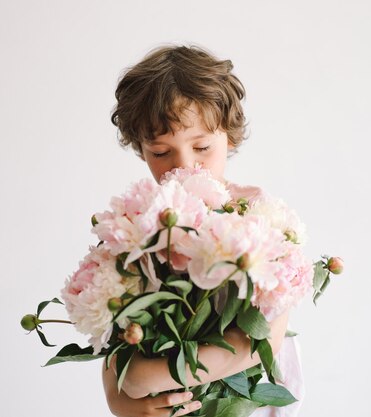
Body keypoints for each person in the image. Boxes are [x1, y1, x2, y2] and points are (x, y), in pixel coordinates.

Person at [102, 45, 304, 417]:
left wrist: (145, 379)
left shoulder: (259, 215)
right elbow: (115, 342)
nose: (185, 166)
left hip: (247, 404)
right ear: (141, 150)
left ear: (229, 135)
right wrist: (122, 400)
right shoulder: (135, 224)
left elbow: (263, 341)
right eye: (161, 153)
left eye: (202, 147)